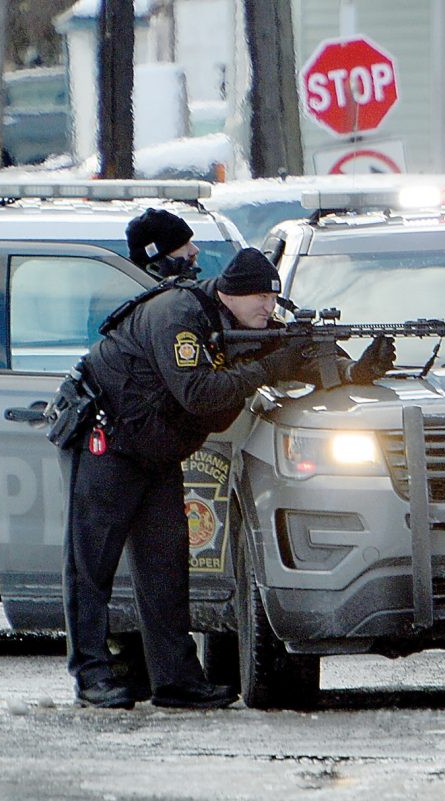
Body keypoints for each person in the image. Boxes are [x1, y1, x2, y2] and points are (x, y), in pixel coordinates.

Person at [64, 209, 395, 710]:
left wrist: (353, 371)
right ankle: (92, 677)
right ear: (230, 294)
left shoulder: (243, 322)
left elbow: (296, 356)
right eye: (260, 297)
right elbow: (199, 392)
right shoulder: (177, 314)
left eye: (273, 297)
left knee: (165, 567)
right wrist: (269, 367)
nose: (268, 306)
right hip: (108, 442)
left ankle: (176, 682)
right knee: (92, 566)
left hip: (155, 452)